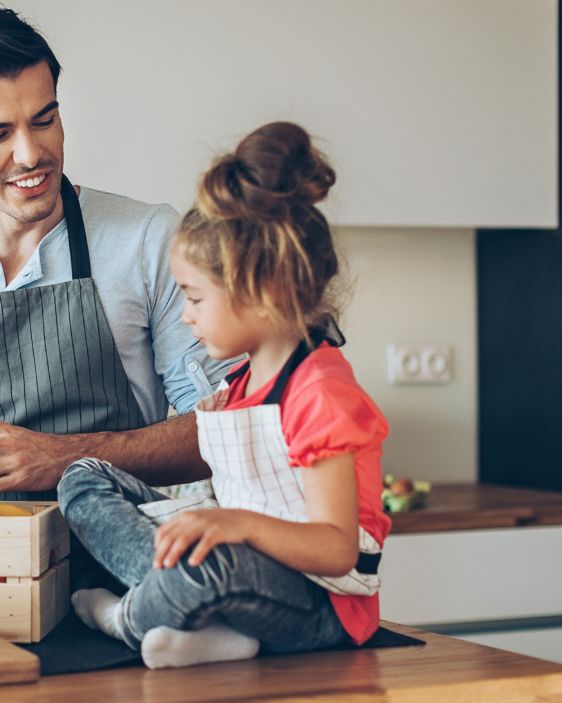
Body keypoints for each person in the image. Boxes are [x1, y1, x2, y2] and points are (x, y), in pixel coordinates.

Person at [0, 3, 234, 500]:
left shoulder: (148, 239)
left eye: (45, 120)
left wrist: (66, 459)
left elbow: (227, 429)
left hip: (110, 567)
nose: (31, 154)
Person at [58, 122, 391, 669]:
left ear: (261, 291)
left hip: (318, 602)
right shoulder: (240, 382)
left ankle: (131, 618)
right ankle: (191, 610)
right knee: (82, 475)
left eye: (195, 297)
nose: (186, 315)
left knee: (213, 566)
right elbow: (248, 488)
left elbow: (336, 549)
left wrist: (230, 526)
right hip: (243, 565)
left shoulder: (321, 392)